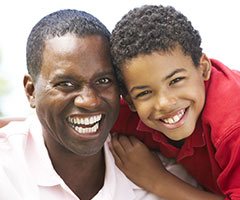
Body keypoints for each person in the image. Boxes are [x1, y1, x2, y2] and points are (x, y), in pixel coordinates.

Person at [0, 8, 200, 200]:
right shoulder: (6, 169)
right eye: (66, 84)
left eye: (103, 81)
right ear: (31, 91)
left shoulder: (165, 175)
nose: (90, 101)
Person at [110, 4, 240, 200]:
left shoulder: (233, 126)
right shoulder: (130, 114)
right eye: (145, 93)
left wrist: (157, 180)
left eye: (176, 81)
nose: (164, 103)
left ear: (203, 68)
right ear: (130, 101)